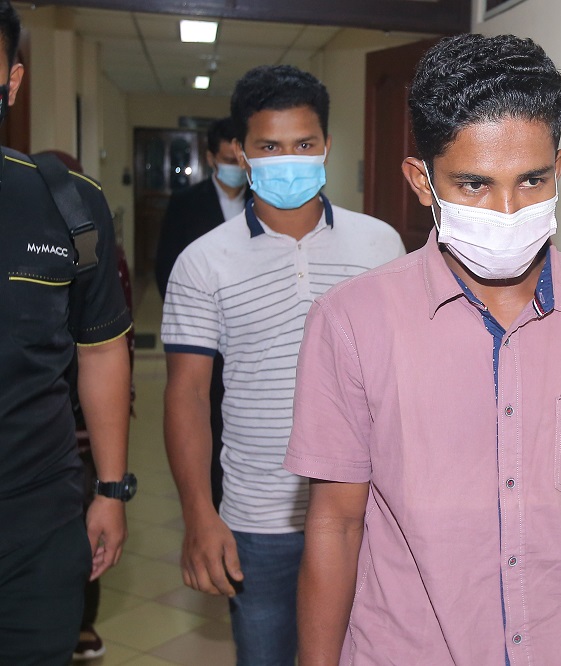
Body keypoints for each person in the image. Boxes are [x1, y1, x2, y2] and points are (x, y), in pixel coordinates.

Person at [285, 34, 561, 666]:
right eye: (473, 185)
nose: (508, 210)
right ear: (421, 182)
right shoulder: (351, 323)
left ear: (559, 171)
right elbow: (336, 521)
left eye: (531, 180)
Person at [161, 64, 405, 666]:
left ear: (326, 146)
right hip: (257, 518)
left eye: (303, 144)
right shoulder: (202, 262)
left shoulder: (381, 247)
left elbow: (405, 384)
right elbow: (187, 395)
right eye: (269, 146)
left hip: (366, 513)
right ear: (242, 152)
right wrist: (200, 514)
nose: (287, 159)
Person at [0, 3, 134, 665]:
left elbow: (103, 348)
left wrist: (111, 488)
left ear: (12, 80)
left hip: (37, 518)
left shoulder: (66, 205)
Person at [155, 116, 248, 510]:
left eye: (239, 158)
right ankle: (212, 501)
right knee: (206, 413)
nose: (234, 166)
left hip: (250, 330)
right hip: (205, 333)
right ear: (212, 158)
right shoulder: (186, 203)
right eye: (226, 158)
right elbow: (168, 268)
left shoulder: (263, 199)